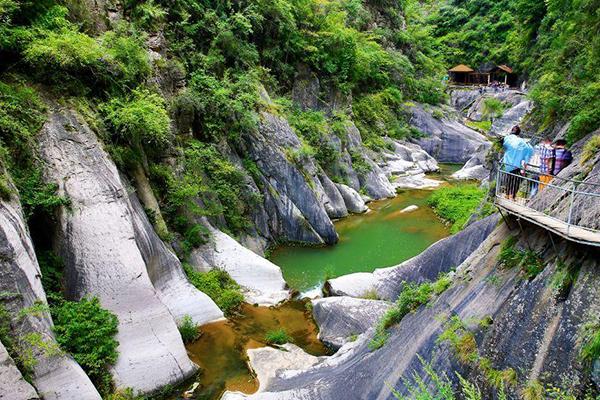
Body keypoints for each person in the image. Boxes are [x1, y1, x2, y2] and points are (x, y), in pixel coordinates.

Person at [502, 125, 534, 200]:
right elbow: (528, 151)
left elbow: (504, 146)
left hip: (507, 164)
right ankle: (512, 196)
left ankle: (507, 194)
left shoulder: (507, 138)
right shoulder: (522, 142)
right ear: (519, 133)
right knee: (516, 181)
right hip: (517, 165)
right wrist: (525, 165)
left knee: (508, 180)